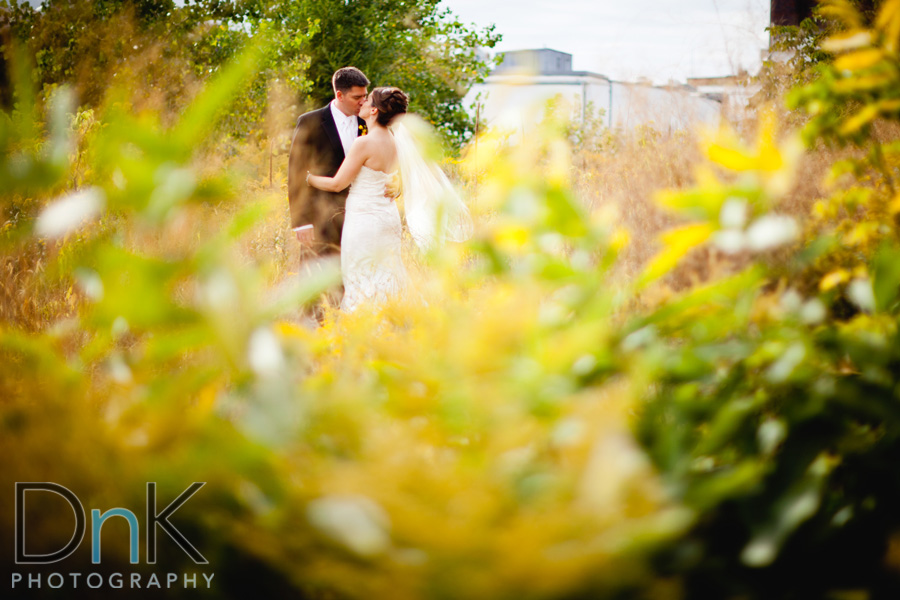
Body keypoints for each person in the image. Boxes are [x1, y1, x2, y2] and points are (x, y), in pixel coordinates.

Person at [307, 87, 410, 312]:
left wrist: (308, 178)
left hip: (364, 221)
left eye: (367, 100)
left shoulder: (364, 143)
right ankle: (393, 323)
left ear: (373, 110)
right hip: (387, 218)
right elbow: (398, 178)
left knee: (361, 275)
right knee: (387, 274)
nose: (361, 102)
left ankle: (365, 326)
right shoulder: (394, 141)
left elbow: (337, 184)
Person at [288, 66, 369, 256]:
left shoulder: (369, 122)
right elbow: (296, 172)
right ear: (339, 95)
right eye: (357, 98)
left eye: (365, 96)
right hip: (321, 218)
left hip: (362, 216)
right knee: (317, 278)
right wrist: (302, 222)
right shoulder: (310, 122)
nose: (363, 102)